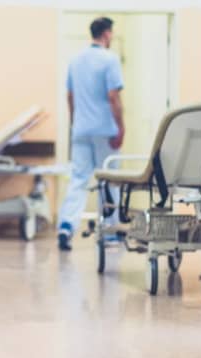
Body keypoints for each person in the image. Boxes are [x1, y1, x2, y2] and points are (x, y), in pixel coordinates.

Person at [57, 17, 125, 251]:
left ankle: (66, 227)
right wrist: (121, 126)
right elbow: (113, 97)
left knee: (78, 179)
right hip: (105, 130)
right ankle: (109, 232)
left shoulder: (75, 60)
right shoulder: (110, 59)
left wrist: (76, 121)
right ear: (106, 34)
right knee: (108, 181)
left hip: (81, 129)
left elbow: (70, 96)